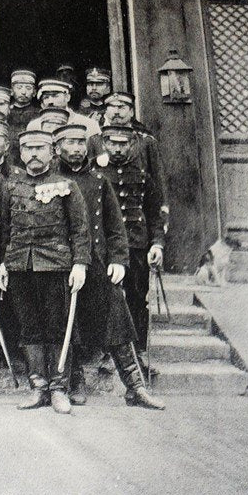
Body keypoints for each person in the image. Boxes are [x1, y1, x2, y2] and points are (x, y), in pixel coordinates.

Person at [54, 122, 163, 409]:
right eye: (69, 142)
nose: (76, 148)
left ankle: (135, 387)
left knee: (117, 315)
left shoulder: (99, 180)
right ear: (58, 147)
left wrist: (119, 259)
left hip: (98, 260)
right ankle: (74, 380)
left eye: (80, 142)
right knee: (70, 319)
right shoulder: (51, 180)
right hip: (62, 262)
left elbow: (115, 227)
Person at [0, 127, 90, 413]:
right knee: (29, 328)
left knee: (57, 327)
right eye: (28, 149)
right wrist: (2, 262)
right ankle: (38, 386)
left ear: (52, 152)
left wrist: (80, 264)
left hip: (56, 265)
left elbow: (80, 229)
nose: (34, 154)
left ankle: (59, 388)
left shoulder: (67, 186)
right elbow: (4, 229)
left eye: (40, 148)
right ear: (21, 153)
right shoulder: (11, 187)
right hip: (20, 265)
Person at [98, 123, 165, 362]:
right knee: (107, 298)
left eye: (123, 144)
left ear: (132, 145)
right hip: (107, 247)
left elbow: (155, 211)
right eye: (112, 143)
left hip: (137, 244)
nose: (117, 148)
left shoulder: (143, 175)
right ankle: (107, 352)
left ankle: (140, 351)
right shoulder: (97, 174)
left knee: (138, 297)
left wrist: (157, 244)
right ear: (104, 144)